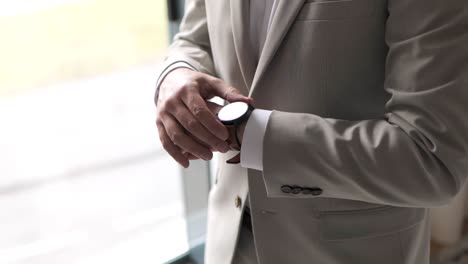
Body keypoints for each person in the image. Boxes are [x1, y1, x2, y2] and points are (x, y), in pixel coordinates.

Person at [154, 0, 468, 263]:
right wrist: (176, 73)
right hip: (228, 243)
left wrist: (253, 135)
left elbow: (431, 158)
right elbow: (195, 38)